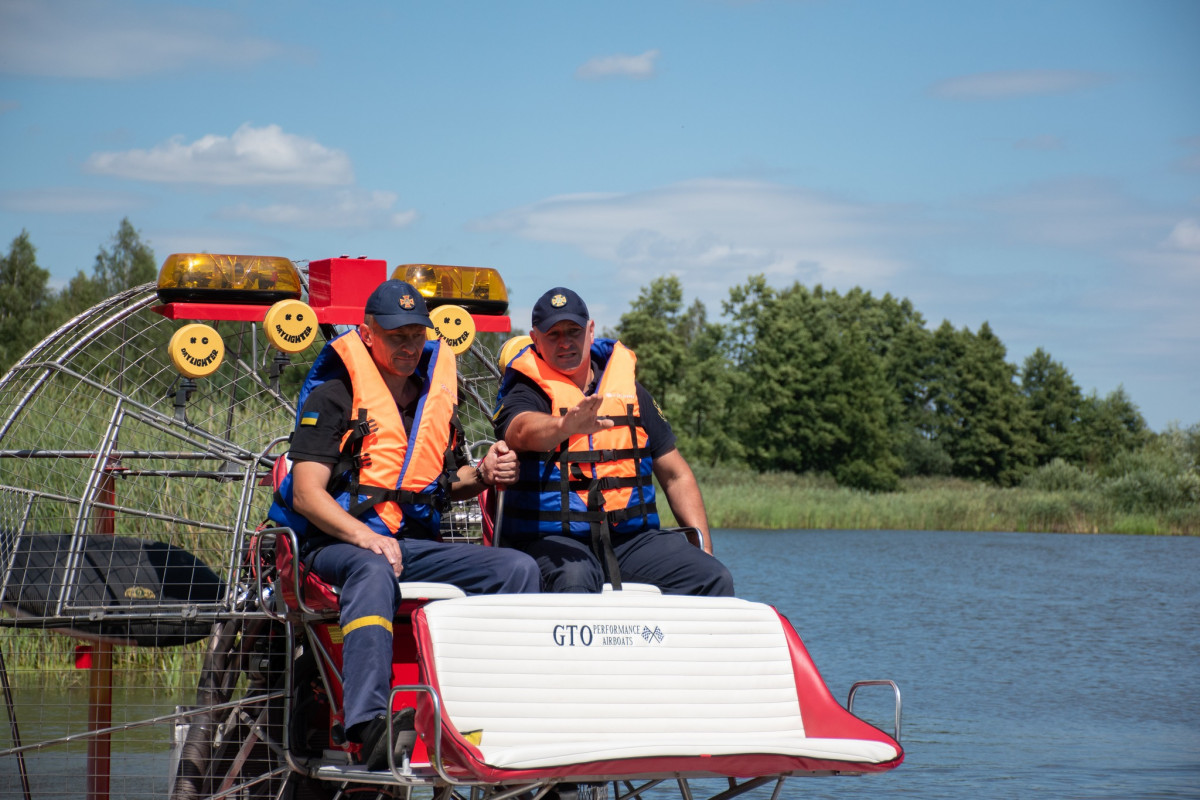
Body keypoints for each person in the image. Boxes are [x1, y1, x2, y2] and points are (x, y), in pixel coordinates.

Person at [269, 279, 540, 771]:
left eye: (417, 336)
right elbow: (308, 494)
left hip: (409, 542)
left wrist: (482, 474)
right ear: (368, 334)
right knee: (373, 568)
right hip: (331, 544)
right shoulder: (334, 395)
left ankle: (502, 712)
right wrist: (365, 536)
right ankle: (369, 727)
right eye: (397, 337)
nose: (410, 347)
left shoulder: (433, 395)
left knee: (518, 569)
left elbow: (443, 482)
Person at [492, 286, 734, 597]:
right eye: (553, 334)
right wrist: (564, 426)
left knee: (711, 575)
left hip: (629, 540)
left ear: (590, 331)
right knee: (576, 576)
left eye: (573, 331)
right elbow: (520, 430)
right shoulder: (525, 390)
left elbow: (676, 475)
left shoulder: (629, 392)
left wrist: (705, 549)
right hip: (553, 541)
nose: (565, 342)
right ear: (535, 339)